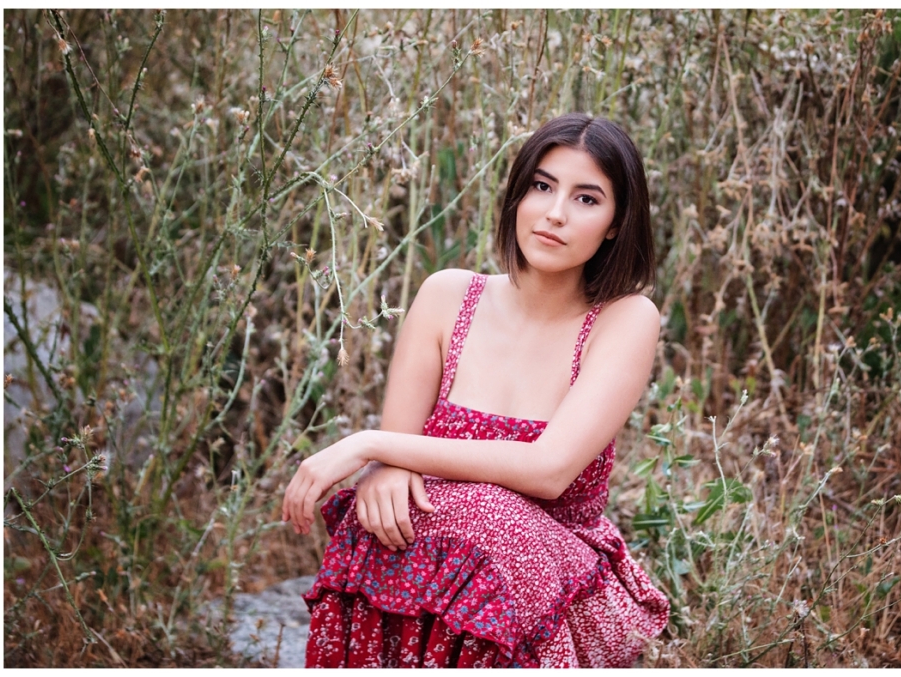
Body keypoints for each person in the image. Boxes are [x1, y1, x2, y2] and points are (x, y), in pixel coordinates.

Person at [282, 113, 670, 668]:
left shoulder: (625, 318)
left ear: (615, 223)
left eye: (587, 199)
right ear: (517, 196)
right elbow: (400, 460)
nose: (555, 214)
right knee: (382, 516)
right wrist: (385, 464)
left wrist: (370, 445)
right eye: (541, 186)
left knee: (488, 516)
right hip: (443, 559)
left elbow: (548, 470)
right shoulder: (447, 296)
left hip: (549, 580)